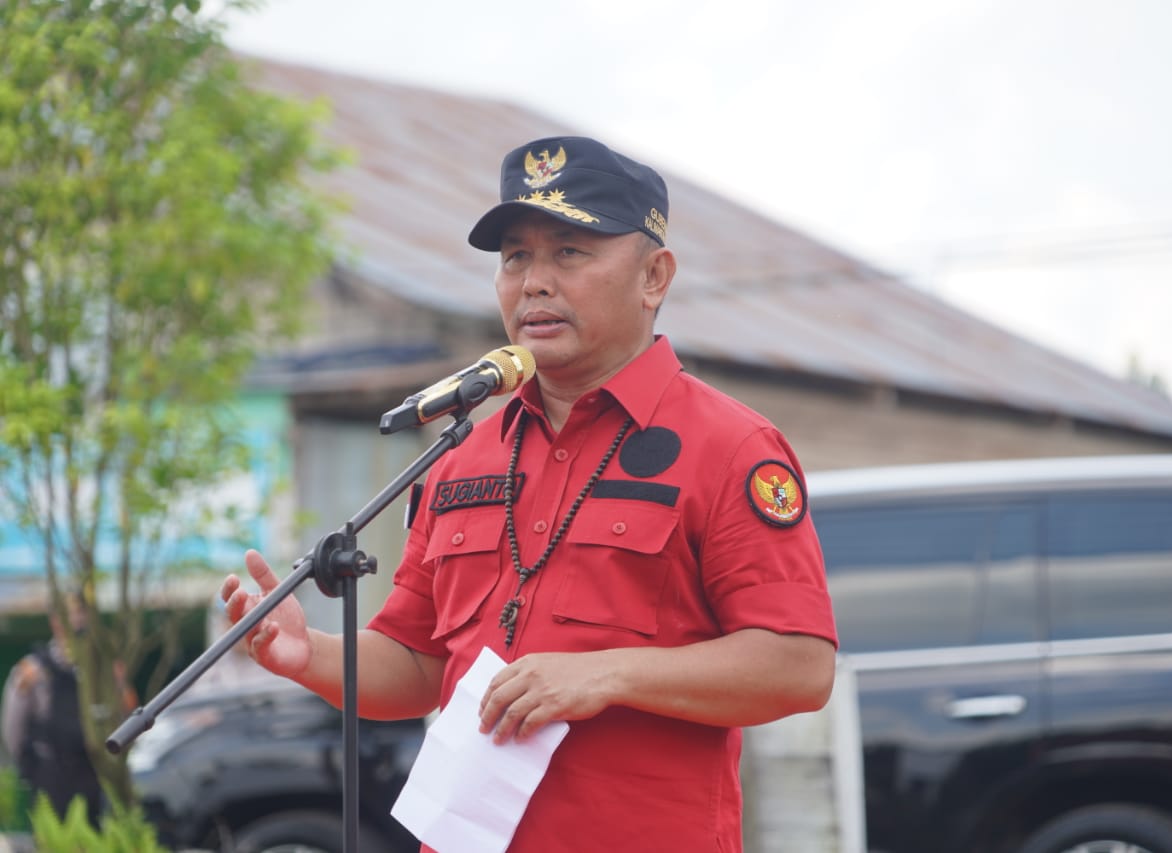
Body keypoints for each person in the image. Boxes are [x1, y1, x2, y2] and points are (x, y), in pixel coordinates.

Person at [221, 135, 838, 852]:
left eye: (569, 252)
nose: (533, 282)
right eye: (515, 257)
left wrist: (606, 674)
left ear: (654, 277)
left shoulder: (728, 446)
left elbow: (799, 665)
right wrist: (312, 655)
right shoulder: (462, 454)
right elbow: (419, 664)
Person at [1, 593, 104, 822]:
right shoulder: (33, 669)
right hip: (50, 772)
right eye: (71, 614)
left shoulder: (99, 667)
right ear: (55, 620)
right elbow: (13, 727)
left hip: (90, 771)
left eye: (81, 614)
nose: (78, 621)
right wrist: (31, 767)